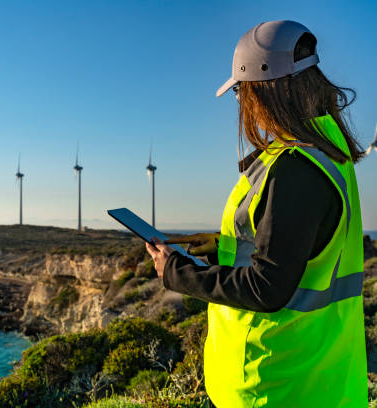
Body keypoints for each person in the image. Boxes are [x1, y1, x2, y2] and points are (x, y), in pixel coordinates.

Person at [145, 20, 368, 407]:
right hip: (321, 372)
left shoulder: (296, 169)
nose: (242, 106)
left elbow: (268, 287)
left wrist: (175, 272)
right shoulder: (328, 151)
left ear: (265, 91)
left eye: (241, 94)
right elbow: (300, 244)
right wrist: (221, 244)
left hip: (275, 381)